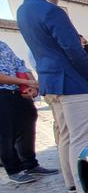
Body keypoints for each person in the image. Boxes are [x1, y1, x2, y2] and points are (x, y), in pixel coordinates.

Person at [16, 0, 88, 193]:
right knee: (82, 137)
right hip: (72, 83)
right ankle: (86, 188)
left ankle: (72, 182)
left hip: (50, 82)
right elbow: (73, 50)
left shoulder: (23, 12)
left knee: (65, 135)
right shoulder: (51, 10)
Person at [0, 40, 58, 184]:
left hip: (18, 92)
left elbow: (20, 65)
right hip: (3, 94)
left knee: (27, 125)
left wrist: (32, 83)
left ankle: (30, 164)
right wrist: (25, 83)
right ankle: (13, 170)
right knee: (6, 133)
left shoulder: (3, 44)